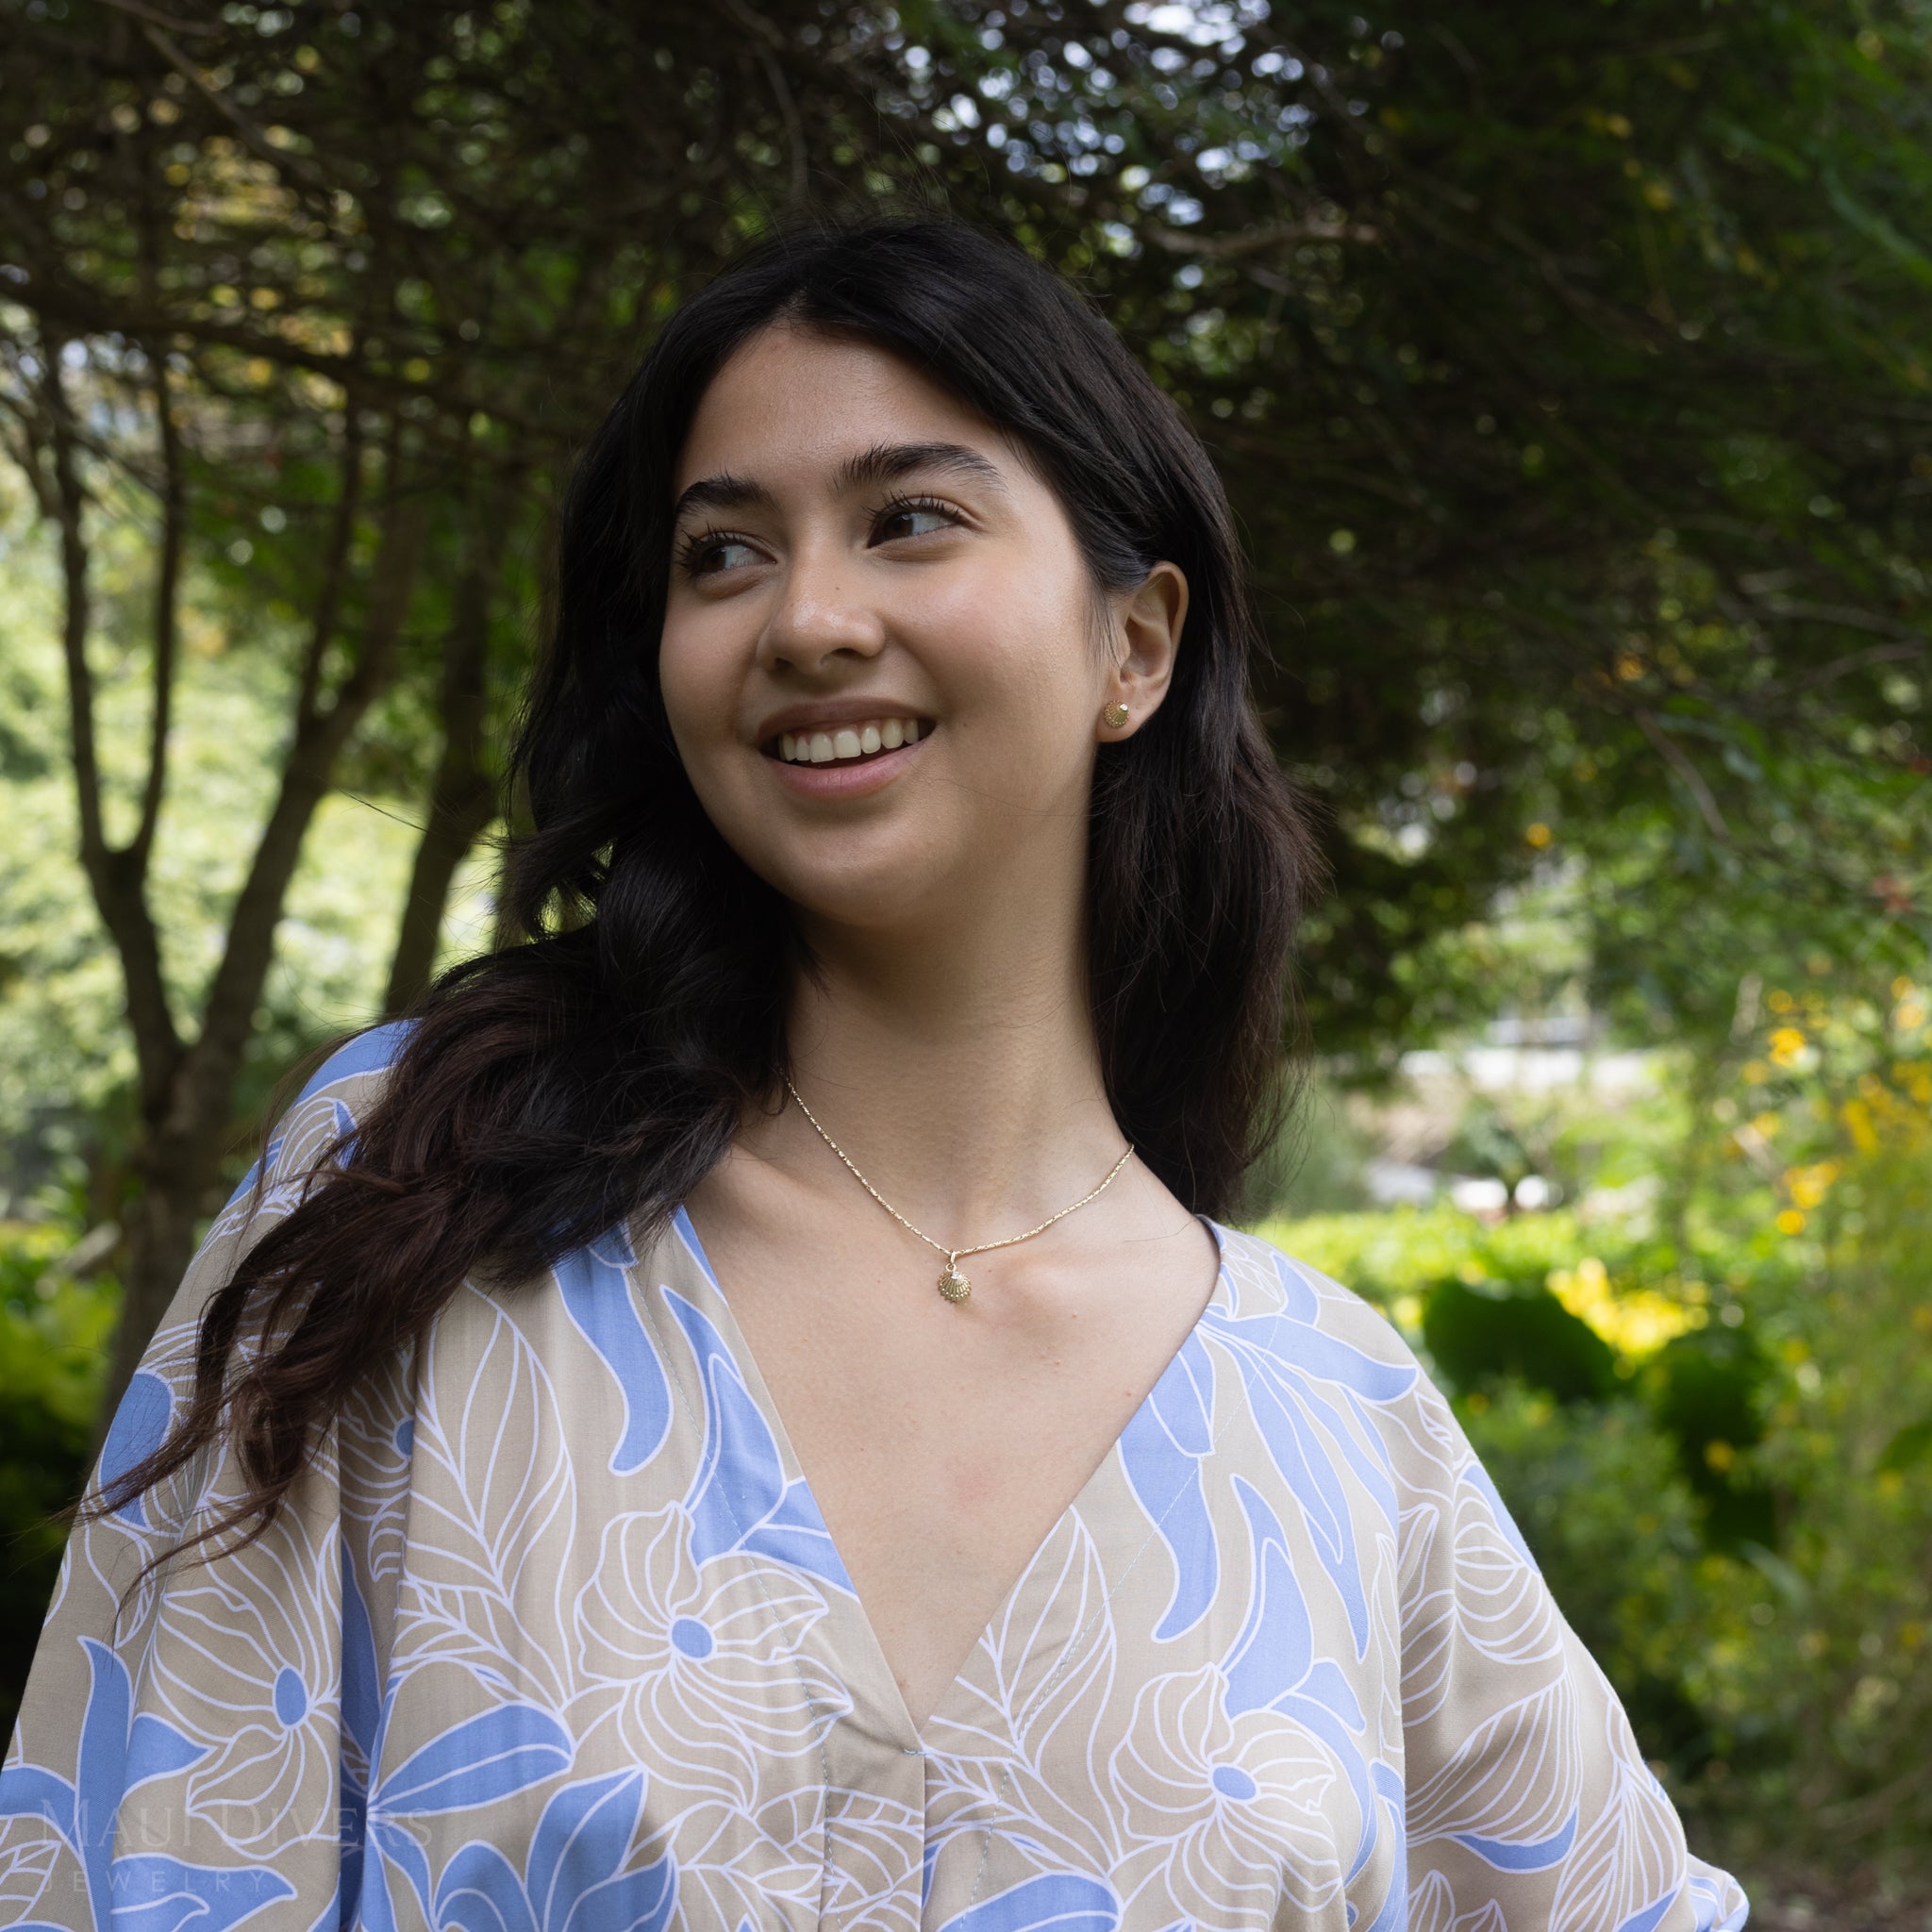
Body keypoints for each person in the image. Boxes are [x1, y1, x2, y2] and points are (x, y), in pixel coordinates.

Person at [0, 216, 1747, 1932]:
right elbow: (119, 1865)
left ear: (1136, 646)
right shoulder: (417, 1194)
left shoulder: (1335, 1423)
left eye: (909, 519)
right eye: (724, 554)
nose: (809, 618)